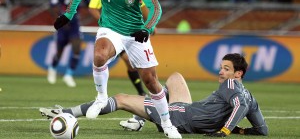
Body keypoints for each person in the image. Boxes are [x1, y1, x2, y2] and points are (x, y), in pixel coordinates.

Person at [52, 0, 181, 138]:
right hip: (110, 29)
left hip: (135, 33)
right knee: (99, 55)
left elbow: (156, 8)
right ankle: (101, 98)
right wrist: (69, 13)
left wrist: (147, 28)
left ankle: (167, 124)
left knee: (151, 81)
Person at [40, 53, 269, 137]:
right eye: (222, 67)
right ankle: (140, 118)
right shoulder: (250, 96)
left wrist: (225, 131)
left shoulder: (231, 85)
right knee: (176, 77)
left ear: (238, 74)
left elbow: (238, 106)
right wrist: (241, 130)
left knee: (120, 98)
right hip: (189, 112)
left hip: (179, 117)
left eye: (226, 69)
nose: (221, 72)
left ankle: (64, 113)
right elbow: (262, 130)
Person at [88, 0, 149, 96]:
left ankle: (145, 92)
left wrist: (150, 24)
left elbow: (142, 5)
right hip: (113, 33)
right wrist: (104, 22)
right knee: (127, 61)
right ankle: (102, 95)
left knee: (137, 64)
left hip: (131, 31)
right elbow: (92, 8)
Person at [47, 0, 86, 88]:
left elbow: (91, 7)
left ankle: (69, 74)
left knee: (77, 49)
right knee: (59, 52)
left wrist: (83, 19)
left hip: (75, 26)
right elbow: (51, 5)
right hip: (63, 27)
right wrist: (58, 19)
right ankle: (52, 68)